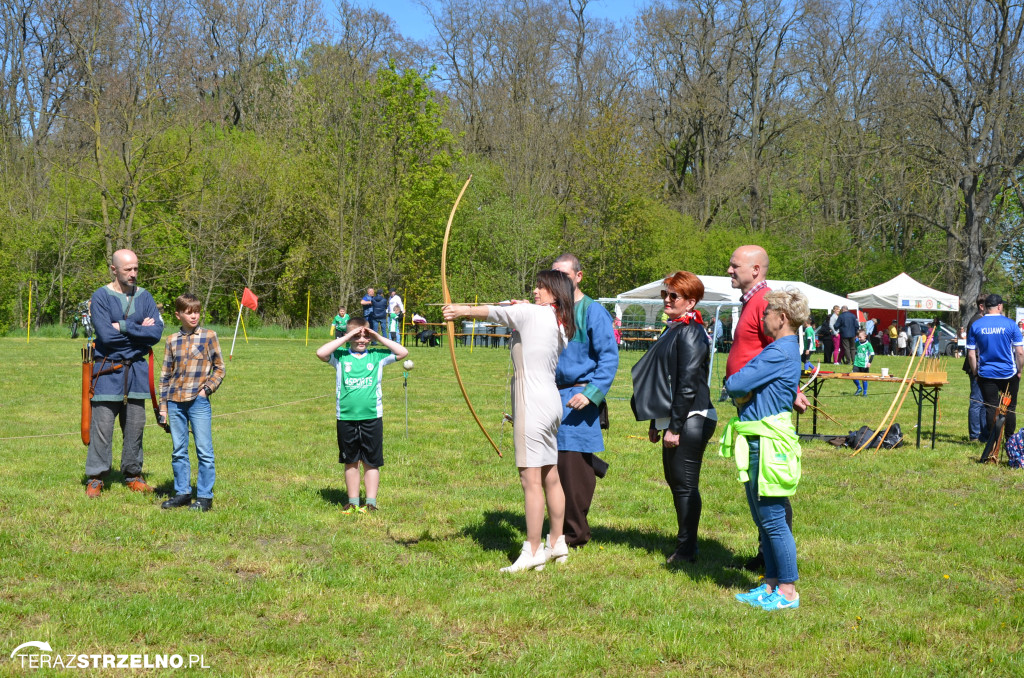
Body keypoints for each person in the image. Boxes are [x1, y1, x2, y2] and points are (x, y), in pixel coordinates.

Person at [443, 271, 576, 572]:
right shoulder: (558, 321)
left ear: (555, 293)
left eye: (542, 287)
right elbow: (513, 312)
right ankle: (557, 542)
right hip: (551, 402)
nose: (536, 290)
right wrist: (521, 307)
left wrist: (459, 310)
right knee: (549, 475)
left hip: (532, 401)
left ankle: (532, 551)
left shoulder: (530, 313)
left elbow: (495, 312)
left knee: (530, 481)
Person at [722, 288, 808, 611]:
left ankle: (787, 591)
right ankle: (771, 584)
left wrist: (740, 387)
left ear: (782, 318)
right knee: (764, 518)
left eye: (768, 312)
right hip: (759, 439)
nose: (763, 316)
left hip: (768, 444)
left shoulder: (779, 352)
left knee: (772, 519)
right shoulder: (783, 349)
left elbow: (736, 383)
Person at [630, 271, 715, 564]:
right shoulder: (674, 328)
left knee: (684, 484)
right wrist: (658, 422)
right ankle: (685, 544)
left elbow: (688, 383)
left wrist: (675, 426)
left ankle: (687, 550)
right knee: (676, 481)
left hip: (692, 416)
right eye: (664, 294)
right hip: (676, 417)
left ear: (690, 302)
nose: (667, 299)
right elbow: (663, 378)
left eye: (673, 296)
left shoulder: (691, 331)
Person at [724, 245, 800, 573]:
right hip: (751, 407)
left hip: (761, 409)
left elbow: (778, 351)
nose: (729, 270)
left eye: (734, 265)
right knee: (760, 494)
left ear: (755, 270)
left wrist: (790, 390)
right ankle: (769, 562)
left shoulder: (765, 303)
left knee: (768, 495)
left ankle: (775, 567)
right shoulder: (752, 303)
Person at [550, 254, 619, 548]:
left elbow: (609, 359)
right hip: (552, 395)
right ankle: (561, 524)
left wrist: (590, 394)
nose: (559, 280)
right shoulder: (552, 311)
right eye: (554, 275)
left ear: (578, 277)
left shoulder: (593, 311)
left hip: (578, 397)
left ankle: (575, 533)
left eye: (565, 274)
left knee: (572, 469)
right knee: (556, 464)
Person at [84, 249, 164, 498]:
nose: (133, 273)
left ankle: (133, 474)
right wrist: (140, 336)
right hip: (108, 369)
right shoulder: (101, 296)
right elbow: (106, 336)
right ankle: (96, 478)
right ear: (114, 269)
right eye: (128, 269)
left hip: (137, 372)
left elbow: (157, 334)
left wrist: (126, 326)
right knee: (102, 426)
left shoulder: (145, 297)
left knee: (135, 425)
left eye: (136, 268)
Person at [316, 318, 408, 513]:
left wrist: (377, 336)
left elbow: (402, 352)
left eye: (365, 336)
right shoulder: (340, 356)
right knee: (351, 461)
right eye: (357, 336)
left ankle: (371, 503)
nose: (361, 340)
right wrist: (348, 336)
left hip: (372, 417)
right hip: (346, 418)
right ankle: (353, 502)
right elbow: (321, 353)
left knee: (371, 461)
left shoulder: (377, 356)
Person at [158, 293, 225, 511]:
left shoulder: (208, 336)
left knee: (204, 450)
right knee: (179, 450)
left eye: (196, 311)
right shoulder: (171, 340)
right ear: (178, 315)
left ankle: (205, 496)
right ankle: (182, 493)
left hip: (198, 402)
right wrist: (163, 406)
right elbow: (166, 375)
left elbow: (220, 368)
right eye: (189, 312)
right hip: (175, 401)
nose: (194, 316)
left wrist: (207, 390)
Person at [967, 294, 1024, 450]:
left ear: (985, 307)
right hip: (1008, 373)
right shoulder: (1011, 324)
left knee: (990, 407)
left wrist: (976, 373)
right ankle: (1010, 440)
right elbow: (1019, 352)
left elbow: (971, 354)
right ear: (999, 306)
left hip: (986, 373)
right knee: (1010, 407)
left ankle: (993, 441)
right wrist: (1019, 371)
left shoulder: (976, 325)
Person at [851, 329, 874, 397]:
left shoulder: (868, 344)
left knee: (864, 379)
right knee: (852, 376)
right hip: (857, 363)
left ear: (865, 336)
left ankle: (865, 393)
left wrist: (869, 362)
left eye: (860, 337)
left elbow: (872, 354)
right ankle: (859, 387)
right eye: (858, 337)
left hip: (864, 364)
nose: (859, 338)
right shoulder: (857, 343)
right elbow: (855, 351)